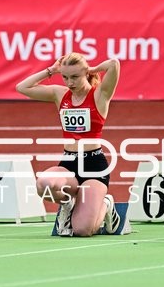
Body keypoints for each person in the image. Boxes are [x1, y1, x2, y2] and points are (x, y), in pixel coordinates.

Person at [16, 53, 121, 237]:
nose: (69, 82)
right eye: (65, 77)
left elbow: (113, 64)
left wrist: (93, 69)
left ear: (85, 74)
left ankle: (106, 205)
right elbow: (22, 87)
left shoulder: (99, 94)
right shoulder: (60, 94)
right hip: (69, 164)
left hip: (94, 167)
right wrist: (51, 71)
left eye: (74, 77)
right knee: (44, 184)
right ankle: (68, 203)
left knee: (83, 230)